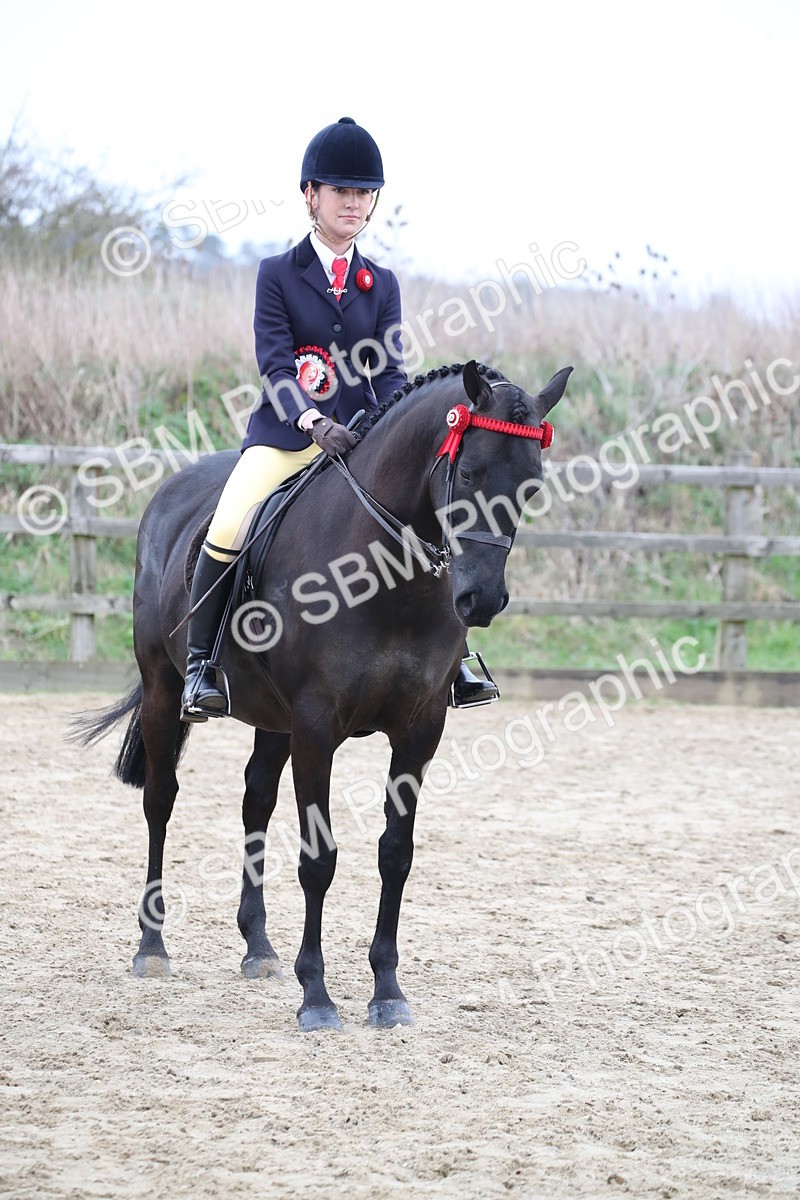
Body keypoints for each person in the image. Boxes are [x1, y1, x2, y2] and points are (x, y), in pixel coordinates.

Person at [180, 116, 499, 722]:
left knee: (437, 519)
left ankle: (450, 661)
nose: (353, 203)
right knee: (226, 525)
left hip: (362, 443)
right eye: (340, 192)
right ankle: (202, 667)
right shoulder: (277, 274)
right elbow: (274, 363)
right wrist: (308, 422)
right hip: (285, 438)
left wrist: (400, 426)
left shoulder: (381, 284)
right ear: (311, 195)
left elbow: (390, 375)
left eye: (363, 193)